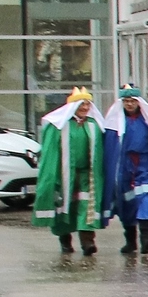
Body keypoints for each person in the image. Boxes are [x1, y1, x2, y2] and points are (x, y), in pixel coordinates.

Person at [31, 88, 105, 257]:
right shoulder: (59, 126)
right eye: (81, 104)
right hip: (64, 174)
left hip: (87, 175)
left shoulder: (94, 125)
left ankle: (88, 242)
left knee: (86, 206)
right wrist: (52, 175)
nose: (85, 108)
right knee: (65, 207)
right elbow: (50, 152)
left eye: (87, 104)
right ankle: (65, 240)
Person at [102, 86, 148, 256]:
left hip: (146, 164)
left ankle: (146, 237)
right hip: (124, 166)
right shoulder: (115, 121)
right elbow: (110, 145)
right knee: (127, 202)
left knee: (147, 198)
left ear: (139, 102)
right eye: (126, 101)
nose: (129, 104)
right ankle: (130, 240)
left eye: (133, 101)